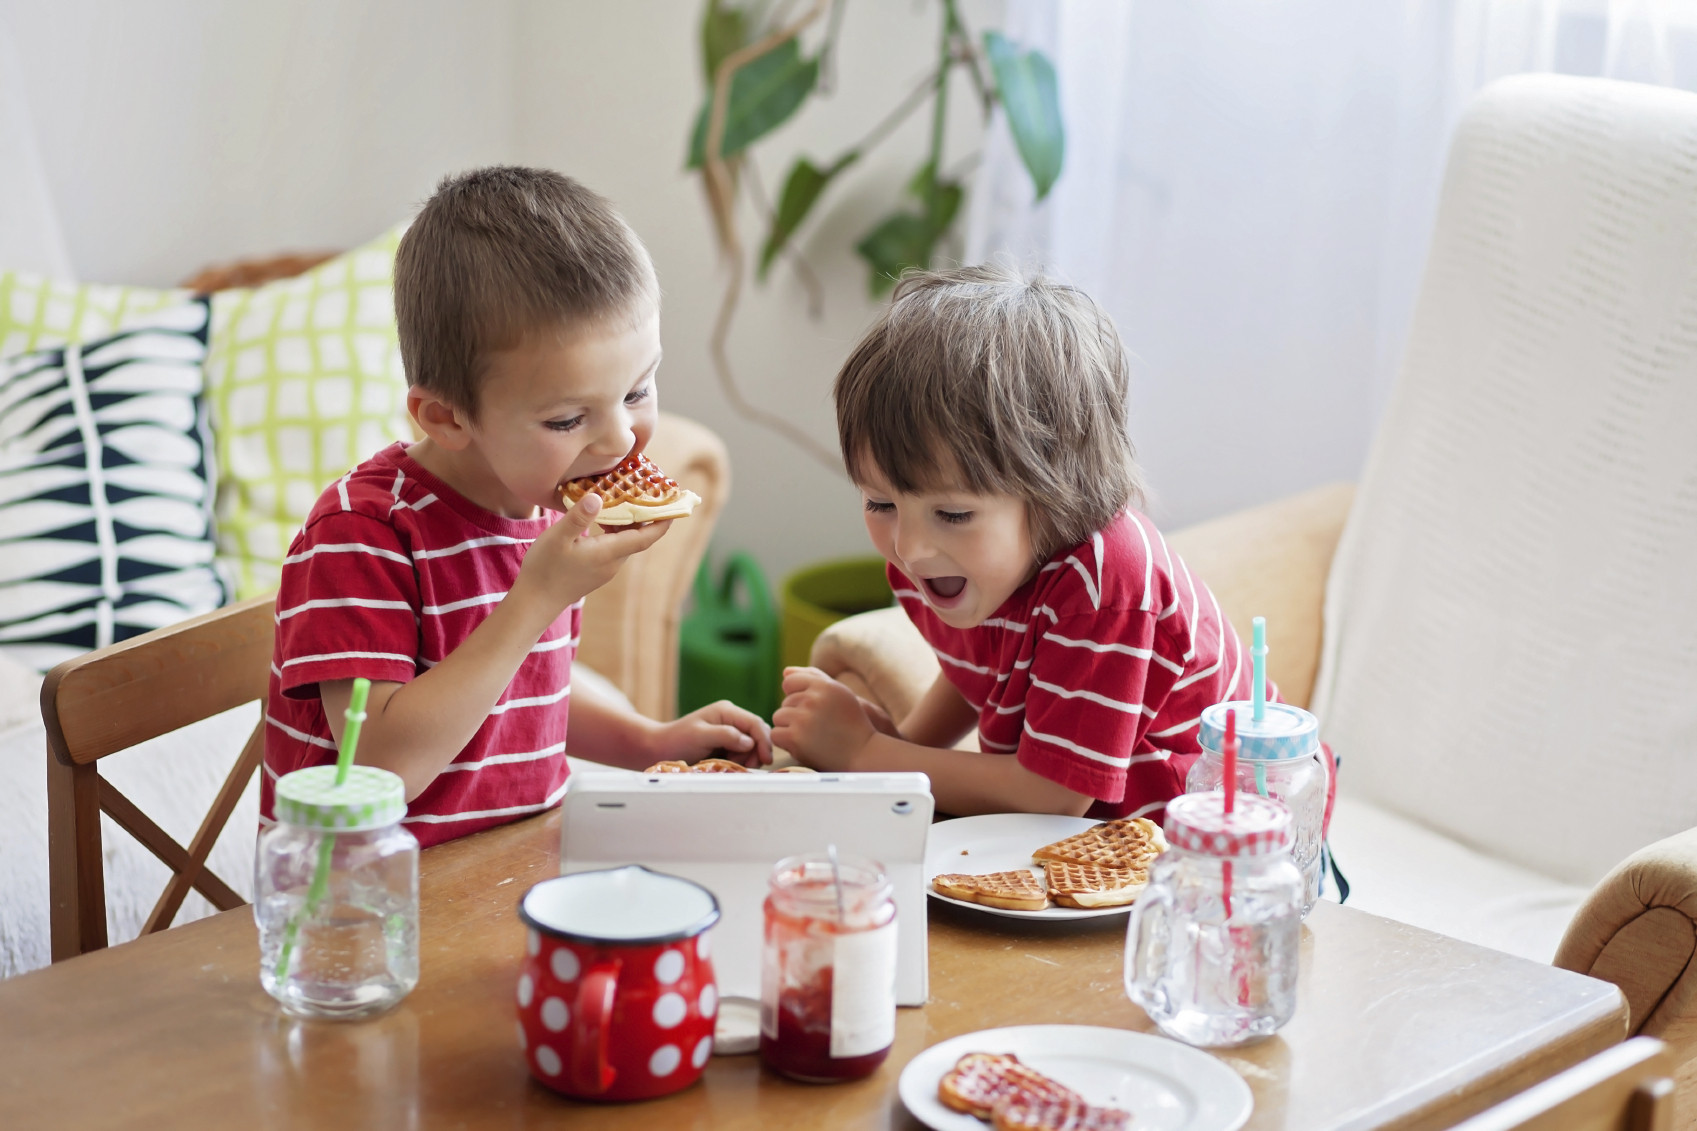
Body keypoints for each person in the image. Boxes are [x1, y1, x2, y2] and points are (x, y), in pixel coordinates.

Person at [262, 166, 771, 846]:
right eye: (567, 419)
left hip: (512, 870)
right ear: (445, 417)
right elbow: (379, 768)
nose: (619, 437)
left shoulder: (538, 500)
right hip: (372, 907)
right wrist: (535, 597)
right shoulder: (362, 534)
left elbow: (527, 687)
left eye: (637, 389)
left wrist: (645, 740)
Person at [772, 265, 1261, 823]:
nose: (908, 547)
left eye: (953, 513)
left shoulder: (1106, 583)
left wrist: (870, 755)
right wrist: (905, 745)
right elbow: (984, 671)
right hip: (1070, 848)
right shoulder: (965, 562)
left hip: (1208, 854)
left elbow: (1053, 795)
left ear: (1056, 492)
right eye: (880, 504)